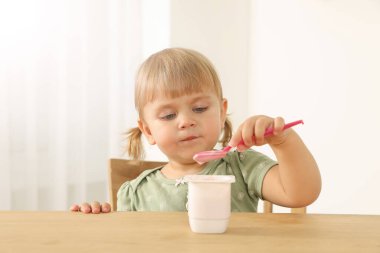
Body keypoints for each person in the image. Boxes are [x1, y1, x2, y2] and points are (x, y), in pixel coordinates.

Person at [71, 48, 321, 213]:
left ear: (222, 112)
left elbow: (301, 193)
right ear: (148, 131)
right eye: (169, 115)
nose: (186, 121)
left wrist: (284, 142)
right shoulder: (134, 193)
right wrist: (98, 218)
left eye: (200, 108)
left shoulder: (242, 167)